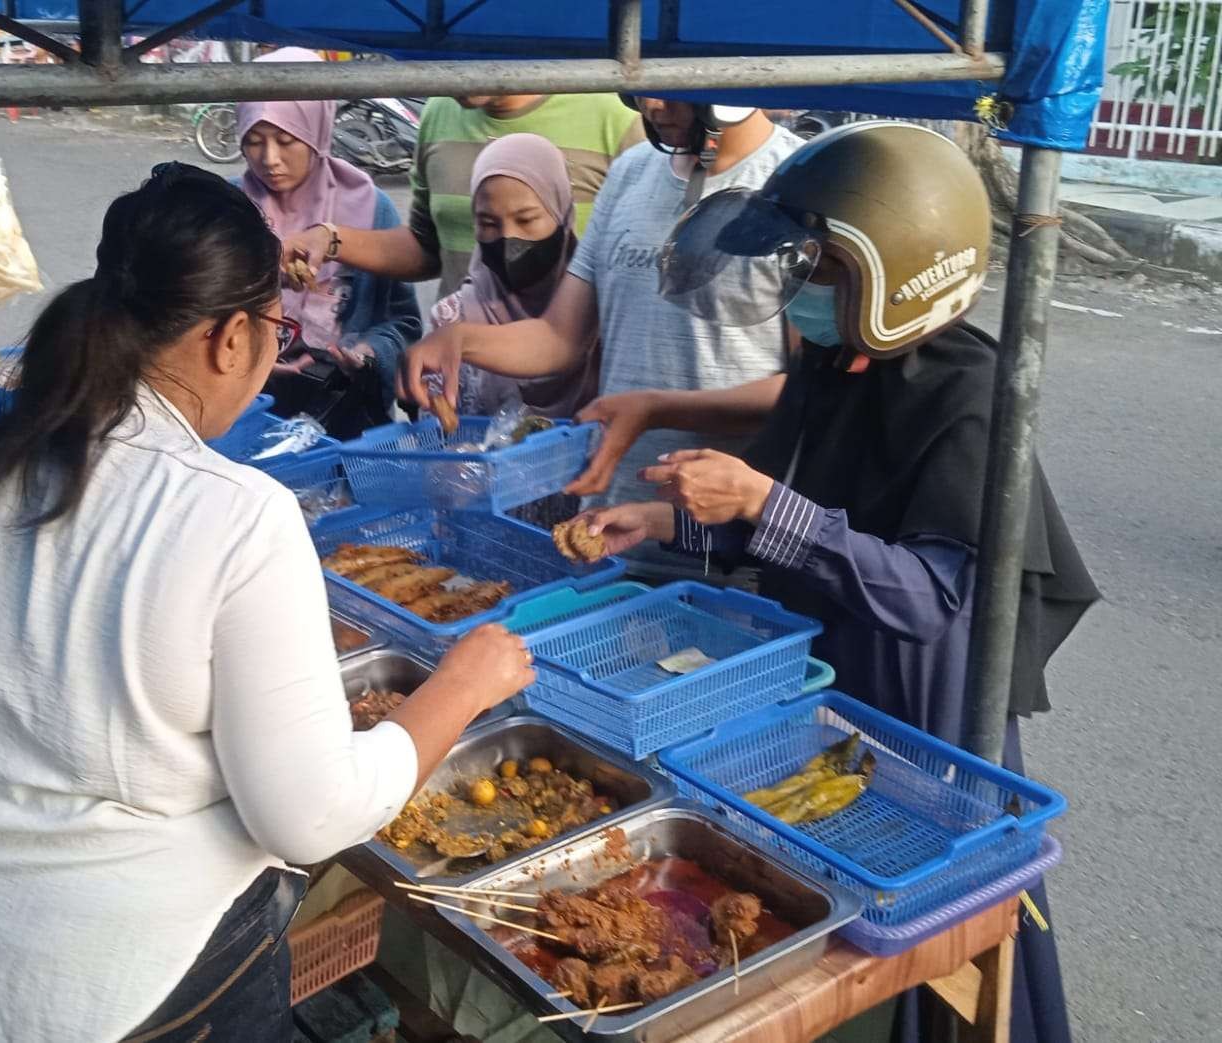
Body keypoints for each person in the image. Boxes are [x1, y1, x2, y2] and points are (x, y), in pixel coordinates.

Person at [0, 163, 534, 1043]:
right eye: (272, 328)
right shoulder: (231, 513)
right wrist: (461, 686)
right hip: (112, 979)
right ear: (232, 337)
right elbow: (310, 818)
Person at [577, 122, 1097, 1043]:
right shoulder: (833, 364)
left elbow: (926, 601)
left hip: (919, 714)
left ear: (898, 273)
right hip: (821, 690)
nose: (803, 290)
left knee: (917, 941)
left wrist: (763, 501)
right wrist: (661, 520)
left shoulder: (966, 394)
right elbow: (780, 514)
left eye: (821, 269)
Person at [401, 100, 803, 574]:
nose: (652, 104)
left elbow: (805, 392)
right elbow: (558, 337)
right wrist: (461, 339)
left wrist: (657, 409)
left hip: (728, 543)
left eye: (671, 86)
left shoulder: (797, 187)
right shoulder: (632, 172)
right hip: (611, 529)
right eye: (641, 87)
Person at [281, 91, 644, 297]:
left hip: (577, 386)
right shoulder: (439, 112)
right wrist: (330, 239)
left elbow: (645, 271)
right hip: (463, 377)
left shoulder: (615, 115)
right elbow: (428, 247)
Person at [235, 47, 421, 437]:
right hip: (243, 411)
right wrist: (248, 361)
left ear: (316, 130)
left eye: (286, 140)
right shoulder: (227, 210)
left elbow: (402, 323)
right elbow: (191, 316)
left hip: (341, 413)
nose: (269, 158)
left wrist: (369, 355)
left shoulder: (370, 207)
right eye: (254, 140)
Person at [431, 133, 598, 421]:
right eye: (488, 223)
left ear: (562, 214)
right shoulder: (452, 319)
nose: (509, 237)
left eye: (526, 220)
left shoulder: (602, 312)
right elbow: (437, 434)